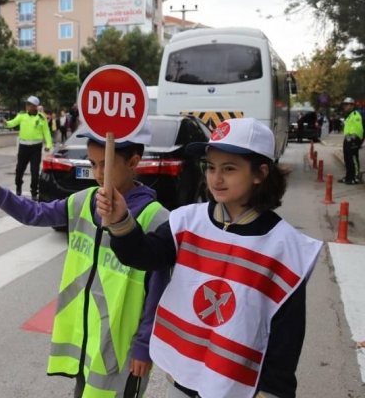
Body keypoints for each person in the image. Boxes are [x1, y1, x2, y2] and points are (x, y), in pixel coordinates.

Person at [97, 118, 322, 398]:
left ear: (260, 173)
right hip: (181, 374)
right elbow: (143, 255)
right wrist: (120, 219)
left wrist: (274, 390)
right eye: (211, 167)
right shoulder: (187, 221)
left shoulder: (287, 247)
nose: (215, 178)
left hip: (239, 384)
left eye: (229, 169)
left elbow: (286, 335)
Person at [0, 123, 169, 398]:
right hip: (87, 341)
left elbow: (158, 292)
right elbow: (36, 213)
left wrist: (144, 346)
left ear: (133, 162)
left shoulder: (156, 218)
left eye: (105, 165)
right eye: (93, 164)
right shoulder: (84, 201)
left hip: (123, 351)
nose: (98, 174)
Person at [2, 96, 53, 200]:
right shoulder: (22, 116)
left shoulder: (41, 118)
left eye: (30, 105)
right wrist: (6, 123)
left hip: (36, 147)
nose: (27, 106)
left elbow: (46, 132)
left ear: (35, 106)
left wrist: (48, 145)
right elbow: (13, 122)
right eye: (27, 104)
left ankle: (34, 192)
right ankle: (18, 186)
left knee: (35, 172)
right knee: (19, 169)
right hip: (24, 147)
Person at [341, 97, 363, 184]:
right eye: (344, 104)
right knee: (347, 159)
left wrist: (354, 137)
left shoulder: (355, 114)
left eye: (346, 104)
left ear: (352, 105)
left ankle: (355, 177)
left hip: (353, 139)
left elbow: (359, 128)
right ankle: (348, 176)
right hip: (347, 139)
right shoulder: (349, 115)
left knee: (353, 159)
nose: (344, 106)